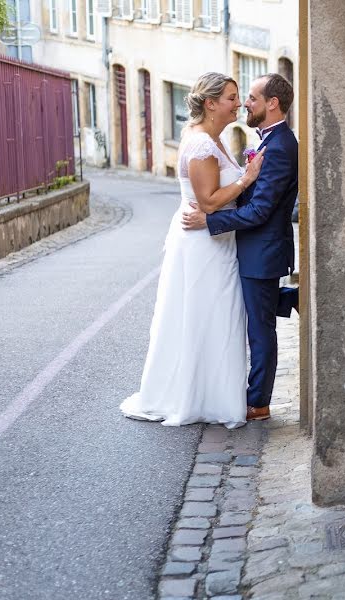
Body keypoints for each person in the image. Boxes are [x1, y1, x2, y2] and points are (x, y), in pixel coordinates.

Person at [120, 72, 265, 428]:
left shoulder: (212, 139)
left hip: (216, 241)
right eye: (231, 97)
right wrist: (247, 178)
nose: (238, 104)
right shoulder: (201, 144)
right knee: (207, 315)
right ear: (211, 103)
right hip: (205, 244)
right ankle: (198, 397)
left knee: (217, 316)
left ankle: (212, 392)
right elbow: (209, 202)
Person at [182, 73, 298, 422]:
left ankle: (258, 403)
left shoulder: (279, 146)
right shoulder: (267, 141)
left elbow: (261, 209)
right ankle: (294, 298)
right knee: (254, 315)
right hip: (250, 249)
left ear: (272, 103)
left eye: (250, 97)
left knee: (259, 329)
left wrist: (211, 221)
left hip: (260, 252)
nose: (246, 103)